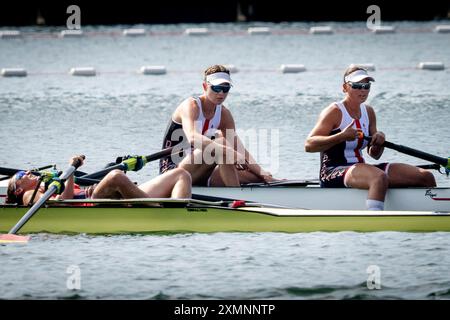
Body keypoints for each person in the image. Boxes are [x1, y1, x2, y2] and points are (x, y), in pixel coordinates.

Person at [304, 65, 436, 210]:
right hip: (333, 171)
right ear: (345, 88)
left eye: (366, 86)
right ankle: (375, 217)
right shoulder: (334, 111)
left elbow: (374, 155)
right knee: (378, 177)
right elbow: (309, 145)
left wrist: (379, 140)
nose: (363, 90)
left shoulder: (369, 112)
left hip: (362, 168)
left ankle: (432, 212)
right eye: (357, 85)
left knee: (426, 177)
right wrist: (340, 136)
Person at [160, 64, 275, 187]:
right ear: (205, 86)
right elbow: (193, 137)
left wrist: (263, 174)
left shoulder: (224, 114)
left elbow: (238, 149)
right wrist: (229, 152)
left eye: (225, 88)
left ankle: (250, 191)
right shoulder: (190, 106)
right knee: (222, 144)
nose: (221, 93)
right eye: (216, 88)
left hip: (202, 170)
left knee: (254, 176)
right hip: (174, 172)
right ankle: (237, 199)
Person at [7, 155, 191, 206]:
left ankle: (178, 211)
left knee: (181, 174)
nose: (28, 172)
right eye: (22, 175)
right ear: (17, 190)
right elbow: (63, 203)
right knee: (116, 175)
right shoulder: (28, 195)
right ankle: (158, 210)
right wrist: (71, 173)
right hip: (94, 202)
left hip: (106, 196)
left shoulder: (41, 186)